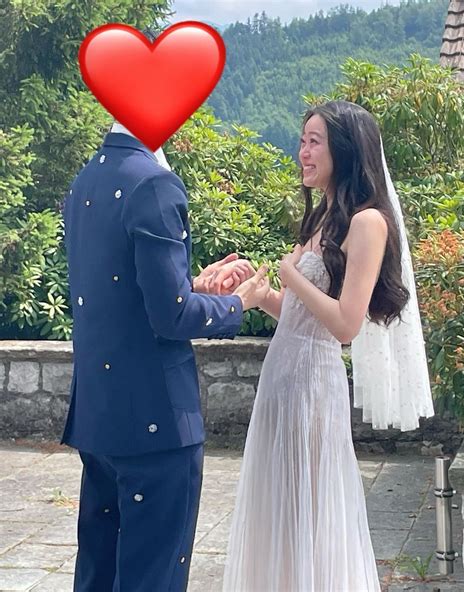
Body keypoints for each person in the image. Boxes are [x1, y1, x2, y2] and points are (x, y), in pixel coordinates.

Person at [222, 100, 434, 591]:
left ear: (344, 149)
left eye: (314, 142)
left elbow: (344, 325)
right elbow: (299, 316)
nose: (303, 152)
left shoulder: (368, 222)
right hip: (281, 378)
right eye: (302, 141)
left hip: (315, 386)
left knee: (312, 514)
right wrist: (260, 295)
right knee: (280, 511)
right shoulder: (322, 218)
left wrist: (291, 274)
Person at [61, 119, 270, 592]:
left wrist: (192, 286)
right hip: (155, 421)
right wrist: (239, 303)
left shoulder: (88, 177)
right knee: (152, 578)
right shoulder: (154, 183)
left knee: (98, 573)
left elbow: (120, 297)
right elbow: (173, 318)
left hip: (101, 418)